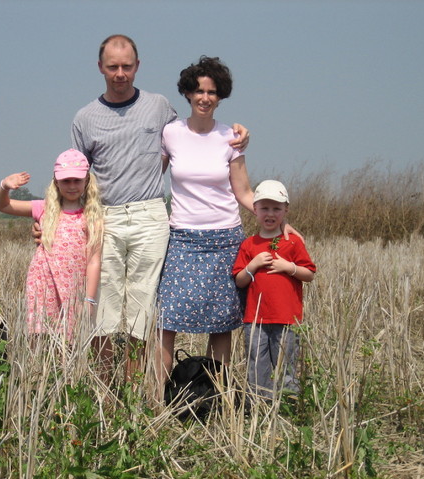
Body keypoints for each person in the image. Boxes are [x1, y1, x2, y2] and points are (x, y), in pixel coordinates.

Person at [54, 35, 251, 383]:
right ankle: (107, 390)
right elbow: (75, 177)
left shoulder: (160, 108)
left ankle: (139, 389)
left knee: (146, 312)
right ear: (100, 67)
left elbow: (203, 142)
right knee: (104, 309)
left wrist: (240, 134)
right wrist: (52, 219)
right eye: (112, 67)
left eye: (126, 66)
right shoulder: (85, 118)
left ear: (137, 67)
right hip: (108, 217)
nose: (120, 73)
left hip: (152, 216)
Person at [155, 56, 259, 391]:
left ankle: (217, 400)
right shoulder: (170, 133)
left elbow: (243, 191)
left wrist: (277, 218)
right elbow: (147, 178)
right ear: (187, 93)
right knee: (165, 322)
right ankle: (158, 402)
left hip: (225, 239)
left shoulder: (231, 137)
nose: (204, 97)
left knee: (222, 324)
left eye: (212, 92)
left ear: (220, 96)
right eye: (198, 90)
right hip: (182, 239)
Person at [0, 149, 103, 340]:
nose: (71, 186)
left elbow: (94, 261)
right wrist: (4, 186)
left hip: (74, 287)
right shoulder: (42, 208)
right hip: (43, 283)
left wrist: (89, 299)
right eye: (66, 181)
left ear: (87, 181)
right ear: (56, 181)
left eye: (77, 180)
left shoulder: (92, 216)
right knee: (40, 336)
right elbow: (2, 205)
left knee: (70, 340)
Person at [232, 180, 316, 400]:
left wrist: (288, 267)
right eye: (264, 208)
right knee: (257, 363)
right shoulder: (249, 245)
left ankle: (287, 403)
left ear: (285, 210)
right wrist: (254, 264)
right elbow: (240, 280)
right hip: (255, 319)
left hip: (287, 318)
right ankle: (258, 403)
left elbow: (309, 274)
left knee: (286, 363)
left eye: (276, 208)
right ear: (255, 210)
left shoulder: (293, 242)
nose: (270, 214)